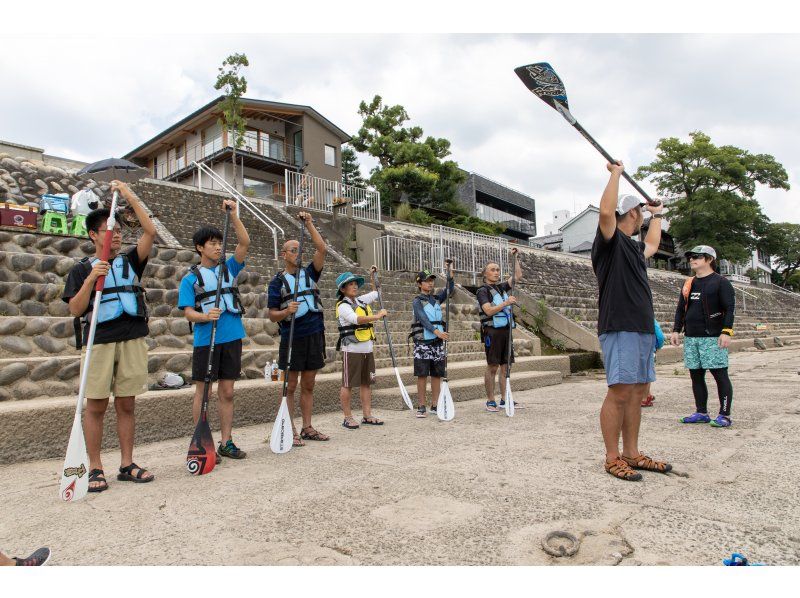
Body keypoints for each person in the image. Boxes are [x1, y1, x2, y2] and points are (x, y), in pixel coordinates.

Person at [61, 181, 156, 492]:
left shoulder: (130, 261)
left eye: (117, 230)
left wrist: (128, 195)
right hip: (99, 340)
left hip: (131, 336)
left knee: (126, 404)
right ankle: (95, 467)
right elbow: (76, 309)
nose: (115, 235)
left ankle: (127, 464)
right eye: (108, 230)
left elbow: (150, 232)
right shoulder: (80, 269)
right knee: (96, 406)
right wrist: (92, 277)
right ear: (93, 235)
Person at [591, 162, 672, 481]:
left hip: (641, 327)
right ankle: (612, 457)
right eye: (640, 211)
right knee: (620, 391)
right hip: (619, 324)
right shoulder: (609, 242)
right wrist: (614, 173)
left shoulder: (636, 249)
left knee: (637, 392)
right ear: (633, 214)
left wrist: (659, 215)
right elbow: (606, 214)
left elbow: (652, 244)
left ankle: (632, 453)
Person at [178, 199, 251, 462]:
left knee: (228, 391)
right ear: (200, 248)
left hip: (232, 336)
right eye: (212, 244)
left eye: (220, 243)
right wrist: (204, 315)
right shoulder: (190, 279)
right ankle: (202, 440)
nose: (218, 247)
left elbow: (244, 243)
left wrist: (233, 215)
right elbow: (187, 312)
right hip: (205, 339)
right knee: (204, 392)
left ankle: (226, 441)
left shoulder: (229, 268)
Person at [267, 212, 328, 445]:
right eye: (293, 250)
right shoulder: (277, 282)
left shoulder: (310, 273)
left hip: (314, 334)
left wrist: (310, 224)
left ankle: (307, 427)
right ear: (284, 255)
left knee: (309, 383)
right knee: (290, 385)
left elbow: (321, 249)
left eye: (299, 249)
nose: (298, 253)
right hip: (292, 337)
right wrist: (285, 312)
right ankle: (289, 427)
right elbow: (272, 315)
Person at [671, 245, 736, 428]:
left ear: (709, 259)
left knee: (719, 375)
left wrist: (726, 331)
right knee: (696, 376)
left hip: (712, 337)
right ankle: (701, 412)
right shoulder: (689, 283)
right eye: (691, 256)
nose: (692, 259)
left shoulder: (721, 282)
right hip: (691, 337)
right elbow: (681, 309)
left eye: (697, 256)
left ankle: (725, 415)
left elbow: (729, 309)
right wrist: (677, 329)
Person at [335, 266, 387, 429]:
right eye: (350, 284)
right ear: (343, 289)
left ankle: (367, 415)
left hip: (367, 349)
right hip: (352, 350)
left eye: (356, 283)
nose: (355, 286)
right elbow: (356, 319)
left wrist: (373, 276)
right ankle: (347, 417)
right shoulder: (342, 306)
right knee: (348, 384)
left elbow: (377, 293)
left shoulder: (361, 301)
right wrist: (377, 316)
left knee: (366, 383)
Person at [476, 249, 523, 412]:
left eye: (497, 270)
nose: (496, 272)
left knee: (505, 367)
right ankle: (490, 400)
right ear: (485, 274)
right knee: (493, 366)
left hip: (505, 331)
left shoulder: (501, 287)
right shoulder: (483, 291)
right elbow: (488, 311)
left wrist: (515, 257)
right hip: (492, 332)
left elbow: (517, 276)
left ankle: (505, 399)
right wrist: (506, 303)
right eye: (493, 270)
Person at [409, 264, 454, 418]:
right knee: (422, 375)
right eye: (426, 281)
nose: (430, 283)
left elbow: (449, 289)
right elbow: (423, 320)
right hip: (423, 343)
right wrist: (437, 332)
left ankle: (435, 405)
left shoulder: (436, 299)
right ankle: (421, 406)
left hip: (437, 343)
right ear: (419, 283)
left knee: (436, 374)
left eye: (431, 280)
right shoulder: (417, 301)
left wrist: (450, 274)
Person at [641, 318, 665, 407]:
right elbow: (660, 336)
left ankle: (646, 396)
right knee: (647, 372)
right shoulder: (649, 318)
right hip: (649, 348)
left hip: (635, 348)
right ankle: (646, 396)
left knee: (642, 373)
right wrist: (658, 346)